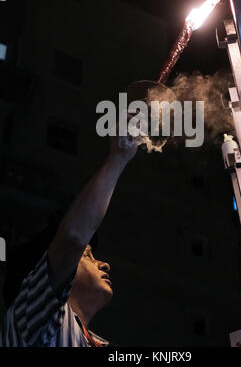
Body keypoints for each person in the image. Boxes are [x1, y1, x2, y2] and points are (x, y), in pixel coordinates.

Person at [0, 125, 138, 347]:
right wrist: (118, 157)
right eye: (88, 256)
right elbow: (72, 238)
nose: (104, 264)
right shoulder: (29, 319)